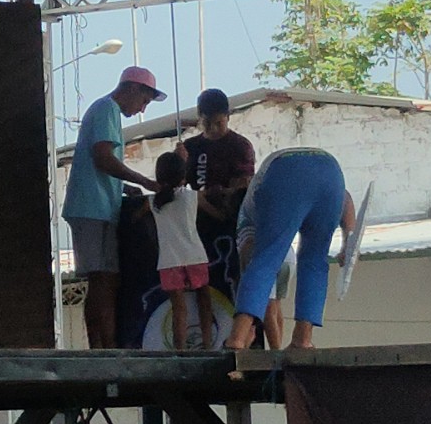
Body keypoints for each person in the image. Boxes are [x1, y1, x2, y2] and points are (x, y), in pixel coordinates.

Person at [62, 65, 163, 348]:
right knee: (103, 280)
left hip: (96, 207)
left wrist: (123, 188)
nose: (142, 109)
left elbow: (100, 165)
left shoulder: (105, 110)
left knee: (104, 280)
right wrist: (143, 180)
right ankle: (102, 348)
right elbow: (103, 159)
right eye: (144, 100)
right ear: (132, 88)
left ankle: (102, 346)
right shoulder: (107, 109)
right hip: (93, 208)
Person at [230, 144, 358, 351]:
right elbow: (345, 197)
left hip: (285, 171)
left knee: (265, 261)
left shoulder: (245, 219)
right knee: (315, 262)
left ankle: (237, 339)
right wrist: (348, 242)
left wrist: (250, 326)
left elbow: (254, 264)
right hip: (331, 172)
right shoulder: (256, 196)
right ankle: (303, 339)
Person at [180, 89, 254, 300]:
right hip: (197, 227)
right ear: (199, 117)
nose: (212, 129)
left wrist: (217, 194)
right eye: (207, 123)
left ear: (228, 117)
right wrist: (177, 163)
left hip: (230, 226)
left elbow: (243, 186)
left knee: (231, 279)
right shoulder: (190, 147)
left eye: (218, 123)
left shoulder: (240, 146)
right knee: (201, 285)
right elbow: (178, 185)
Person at [149, 149, 213, 348]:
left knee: (179, 309)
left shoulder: (153, 202)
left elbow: (135, 217)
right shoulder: (192, 197)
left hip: (168, 261)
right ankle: (208, 345)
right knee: (204, 301)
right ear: (183, 176)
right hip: (195, 256)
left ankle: (180, 351)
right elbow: (217, 214)